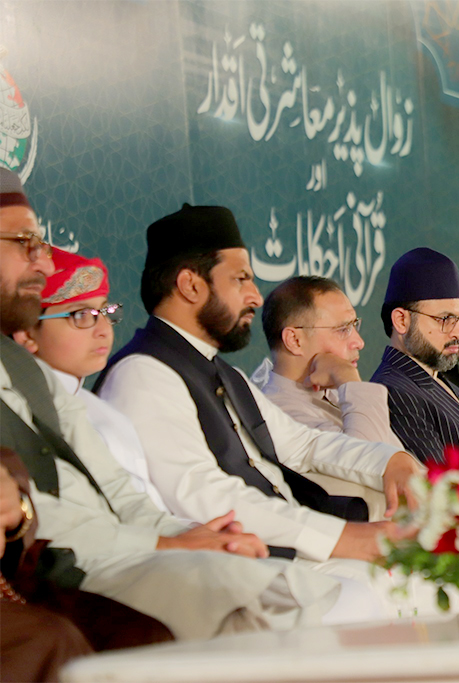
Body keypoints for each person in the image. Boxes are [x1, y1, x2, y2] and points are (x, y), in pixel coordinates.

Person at [0, 169, 342, 639]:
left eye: (104, 313)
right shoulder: (141, 373)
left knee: (282, 589)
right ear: (190, 285)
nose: (39, 263)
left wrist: (185, 537)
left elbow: (120, 494)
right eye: (24, 242)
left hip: (121, 554)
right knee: (252, 596)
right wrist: (168, 542)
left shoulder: (29, 373)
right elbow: (39, 518)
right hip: (67, 574)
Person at [97, 204, 457, 620]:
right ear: (190, 285)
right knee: (367, 600)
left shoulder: (220, 371)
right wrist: (347, 538)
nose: (255, 296)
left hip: (282, 557)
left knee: (424, 585)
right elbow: (206, 496)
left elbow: (301, 444)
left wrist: (389, 461)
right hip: (227, 572)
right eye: (241, 279)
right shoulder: (143, 374)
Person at [14, 248, 169, 510]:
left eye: (104, 312)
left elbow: (148, 511)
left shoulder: (107, 414)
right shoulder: (20, 413)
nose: (103, 330)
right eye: (81, 315)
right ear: (27, 333)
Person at [370, 247, 459, 465]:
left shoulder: (437, 380)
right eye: (445, 319)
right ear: (401, 321)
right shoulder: (394, 393)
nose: (457, 333)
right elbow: (439, 486)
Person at [252, 275, 402, 447]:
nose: (359, 342)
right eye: (343, 329)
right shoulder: (282, 416)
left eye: (354, 325)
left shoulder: (333, 393)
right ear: (294, 340)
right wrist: (347, 377)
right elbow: (375, 462)